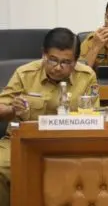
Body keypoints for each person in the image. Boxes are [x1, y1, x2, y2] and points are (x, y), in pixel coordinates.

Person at [0, 27, 99, 206]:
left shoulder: (87, 77)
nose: (57, 68)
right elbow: (1, 108)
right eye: (52, 60)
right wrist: (11, 110)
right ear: (43, 54)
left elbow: (94, 117)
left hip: (71, 143)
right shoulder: (25, 74)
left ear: (76, 61)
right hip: (24, 142)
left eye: (66, 62)